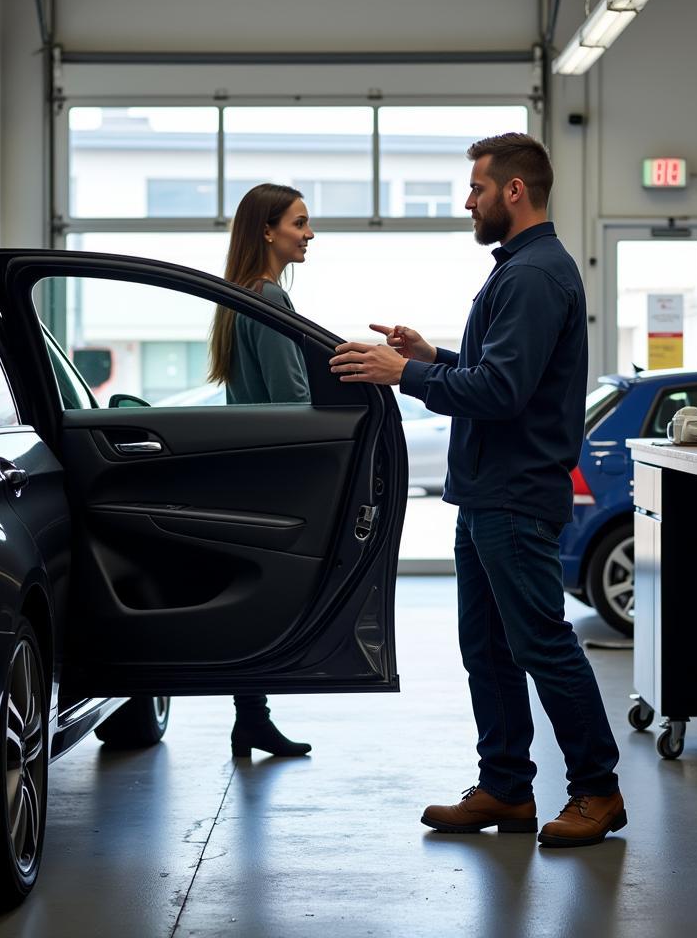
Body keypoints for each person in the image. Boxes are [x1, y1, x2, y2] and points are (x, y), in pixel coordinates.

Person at [329, 133, 625, 847]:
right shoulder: (524, 270)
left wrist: (405, 375)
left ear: (513, 191)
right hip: (488, 495)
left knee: (541, 644)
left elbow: (500, 391)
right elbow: (501, 373)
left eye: (477, 188)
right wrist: (435, 357)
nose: (469, 201)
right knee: (488, 648)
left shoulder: (530, 275)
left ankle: (598, 791)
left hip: (514, 497)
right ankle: (506, 788)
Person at [208, 182, 314, 757]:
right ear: (268, 230)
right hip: (276, 472)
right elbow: (291, 399)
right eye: (299, 223)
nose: (309, 233)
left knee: (249, 600)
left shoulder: (237, 295)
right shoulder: (268, 298)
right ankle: (253, 717)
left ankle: (251, 717)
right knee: (268, 602)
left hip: (249, 469)